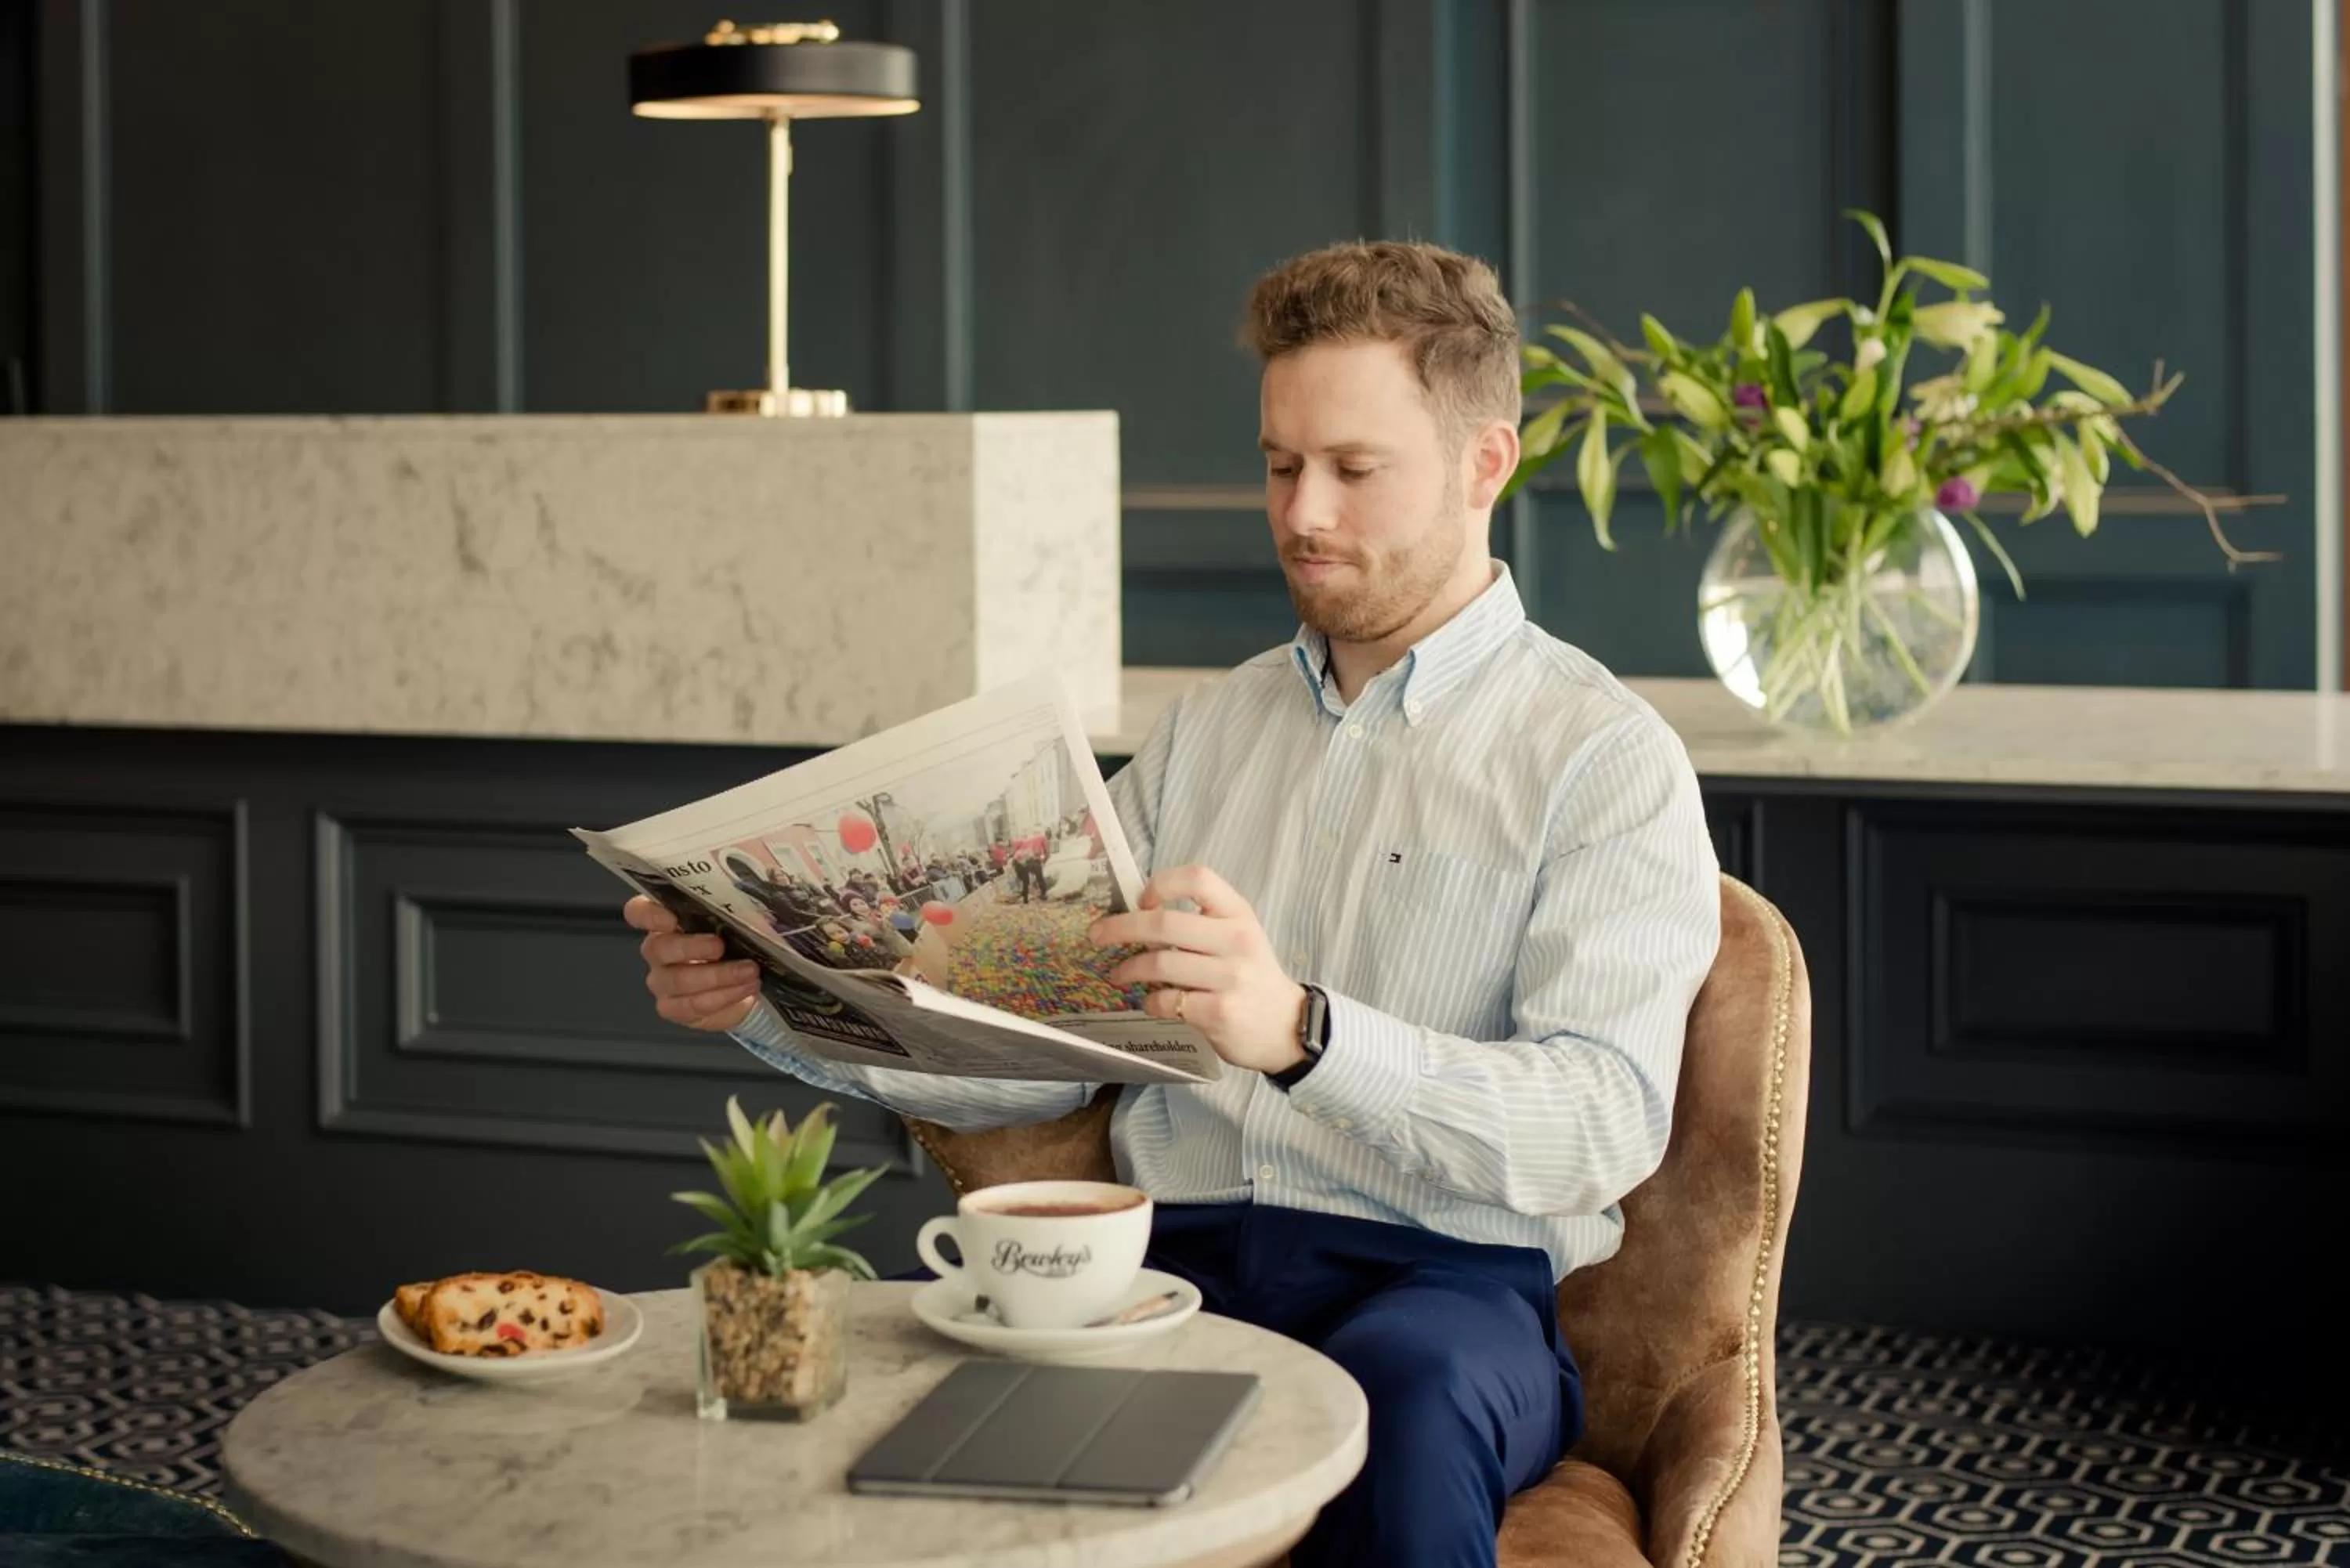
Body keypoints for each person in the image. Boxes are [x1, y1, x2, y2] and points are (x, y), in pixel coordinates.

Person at [627, 240, 1719, 1568]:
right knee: (876, 1376)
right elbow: (1035, 1055)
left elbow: (1601, 1125)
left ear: (1486, 462)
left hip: (1443, 1286)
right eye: (1278, 464)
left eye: (1354, 470)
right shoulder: (1203, 734)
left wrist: (1307, 1031)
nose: (1301, 512)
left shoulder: (1603, 759)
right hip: (1162, 1261)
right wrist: (776, 1001)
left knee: (1407, 1406)